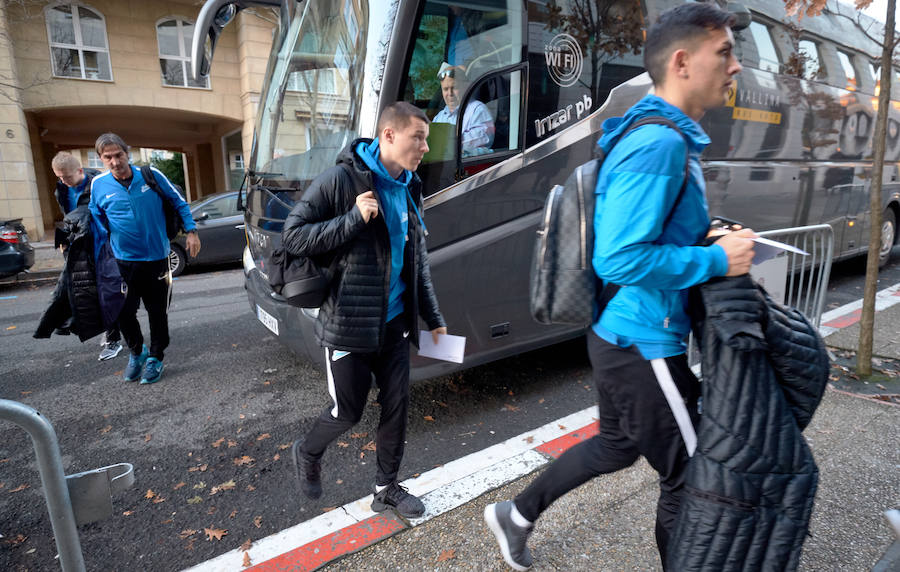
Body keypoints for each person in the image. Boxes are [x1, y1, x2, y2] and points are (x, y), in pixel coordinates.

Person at [483, 4, 756, 570]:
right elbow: (622, 256)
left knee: (615, 445)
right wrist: (713, 260)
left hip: (618, 336)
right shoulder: (661, 143)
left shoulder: (653, 131)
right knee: (694, 473)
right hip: (644, 343)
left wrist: (704, 234)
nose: (736, 67)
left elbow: (644, 230)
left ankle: (517, 514)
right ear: (682, 62)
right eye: (724, 53)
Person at [284, 102, 447, 519]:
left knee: (397, 406)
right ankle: (307, 450)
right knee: (347, 412)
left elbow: (418, 262)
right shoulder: (342, 180)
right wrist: (353, 219)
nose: (426, 147)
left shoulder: (411, 187)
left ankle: (386, 488)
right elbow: (294, 237)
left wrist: (435, 319)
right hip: (349, 326)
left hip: (393, 326)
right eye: (419, 137)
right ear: (389, 136)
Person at [88, 133, 201, 385]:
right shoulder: (99, 184)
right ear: (101, 159)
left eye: (119, 155)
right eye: (108, 157)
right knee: (124, 313)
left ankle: (156, 357)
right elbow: (96, 217)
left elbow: (179, 202)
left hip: (156, 258)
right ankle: (137, 353)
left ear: (127, 153)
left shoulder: (151, 176)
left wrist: (191, 232)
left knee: (156, 312)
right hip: (122, 261)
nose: (115, 161)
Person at [51, 151, 123, 361]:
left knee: (107, 293)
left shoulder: (99, 185)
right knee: (85, 293)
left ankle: (113, 339)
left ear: (80, 171)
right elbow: (69, 218)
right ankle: (109, 330)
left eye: (67, 177)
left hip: (104, 246)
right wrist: (65, 240)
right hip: (80, 247)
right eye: (60, 177)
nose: (64, 181)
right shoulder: (62, 190)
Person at [432, 63, 494, 156]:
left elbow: (485, 138)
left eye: (454, 88)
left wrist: (444, 143)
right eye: (445, 89)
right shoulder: (439, 117)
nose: (450, 93)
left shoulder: (478, 110)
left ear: (465, 87)